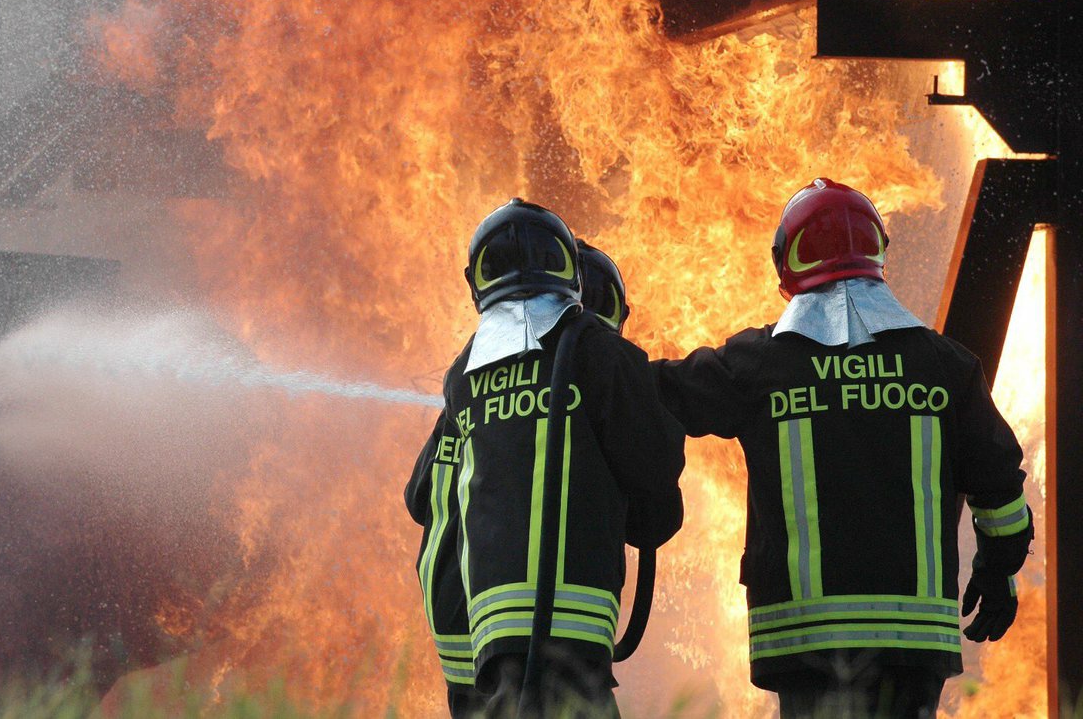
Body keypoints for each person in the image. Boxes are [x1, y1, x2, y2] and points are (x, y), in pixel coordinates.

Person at [655, 178, 1033, 718]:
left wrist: (584, 348)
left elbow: (655, 394)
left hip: (805, 643)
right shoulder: (945, 366)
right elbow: (1000, 488)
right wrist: (999, 568)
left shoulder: (758, 365)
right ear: (877, 251)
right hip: (914, 643)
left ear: (788, 260)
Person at [406, 199, 685, 717]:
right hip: (573, 621)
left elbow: (418, 495)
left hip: (485, 631)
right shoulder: (598, 353)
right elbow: (655, 480)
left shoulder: (467, 372)